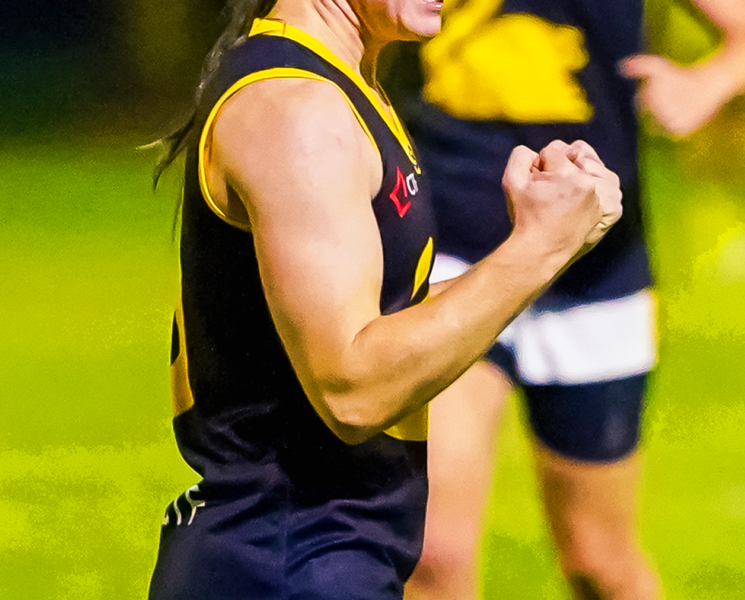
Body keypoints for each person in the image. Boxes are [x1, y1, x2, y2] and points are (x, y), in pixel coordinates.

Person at [145, 1, 623, 598]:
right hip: (287, 561)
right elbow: (352, 390)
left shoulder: (343, 81)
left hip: (310, 555)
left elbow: (383, 316)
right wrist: (539, 248)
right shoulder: (298, 111)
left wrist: (552, 240)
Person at [388, 1, 745, 599]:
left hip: (595, 268)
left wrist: (704, 84)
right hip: (449, 252)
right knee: (434, 553)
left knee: (597, 562)